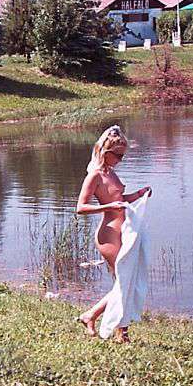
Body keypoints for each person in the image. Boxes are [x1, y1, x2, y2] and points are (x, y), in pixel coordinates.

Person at [74, 125, 150, 343]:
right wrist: (108, 207)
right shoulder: (95, 175)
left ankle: (92, 317)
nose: (121, 160)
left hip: (123, 232)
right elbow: (80, 207)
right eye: (118, 156)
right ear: (106, 153)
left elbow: (120, 200)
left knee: (125, 281)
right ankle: (119, 332)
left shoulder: (111, 173)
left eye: (123, 156)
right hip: (108, 235)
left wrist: (139, 194)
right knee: (124, 281)